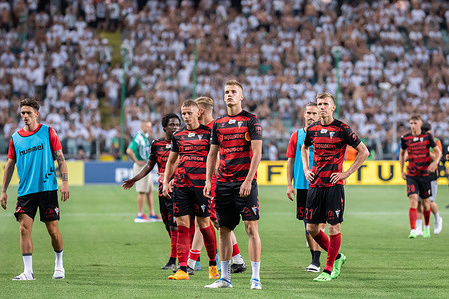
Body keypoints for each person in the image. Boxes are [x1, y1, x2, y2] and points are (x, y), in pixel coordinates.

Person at [301, 92, 369, 282]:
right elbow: (304, 148)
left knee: (333, 228)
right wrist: (306, 168)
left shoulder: (342, 129)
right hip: (315, 185)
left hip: (333, 185)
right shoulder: (312, 130)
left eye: (325, 104)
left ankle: (329, 269)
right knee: (312, 228)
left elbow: (364, 152)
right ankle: (337, 256)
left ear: (333, 107)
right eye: (319, 104)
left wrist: (346, 173)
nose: (321, 107)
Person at [1, 98, 70, 280]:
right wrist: (3, 191)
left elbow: (60, 157)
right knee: (24, 229)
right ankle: (28, 272)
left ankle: (59, 264)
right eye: (22, 113)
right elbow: (9, 166)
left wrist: (65, 182)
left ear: (37, 114)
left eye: (28, 113)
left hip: (47, 189)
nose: (25, 116)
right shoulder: (15, 138)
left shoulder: (48, 132)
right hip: (25, 191)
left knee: (53, 230)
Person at [204, 80, 263, 290]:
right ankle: (225, 278)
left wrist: (248, 179)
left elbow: (257, 153)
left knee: (250, 228)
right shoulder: (218, 123)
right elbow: (212, 154)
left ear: (241, 96)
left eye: (233, 92)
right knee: (224, 229)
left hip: (244, 182)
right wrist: (207, 181)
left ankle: (255, 278)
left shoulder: (251, 120)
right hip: (222, 183)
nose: (229, 95)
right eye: (227, 92)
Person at [187, 97, 246, 275]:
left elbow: (219, 156)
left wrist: (215, 179)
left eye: (193, 111)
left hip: (215, 182)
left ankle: (191, 262)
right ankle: (237, 260)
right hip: (205, 181)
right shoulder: (210, 128)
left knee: (210, 221)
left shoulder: (216, 127)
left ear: (201, 111)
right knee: (211, 221)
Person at [162, 100, 218, 280]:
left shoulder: (209, 134)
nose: (186, 116)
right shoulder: (178, 136)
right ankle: (183, 269)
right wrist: (166, 181)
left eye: (189, 113)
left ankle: (213, 266)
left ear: (198, 113)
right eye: (183, 113)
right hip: (181, 186)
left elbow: (215, 158)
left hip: (201, 187)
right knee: (182, 226)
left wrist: (211, 182)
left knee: (204, 225)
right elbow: (171, 161)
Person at [122, 113, 181, 270]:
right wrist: (134, 179)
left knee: (175, 224)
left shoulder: (183, 142)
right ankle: (181, 251)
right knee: (167, 223)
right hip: (162, 188)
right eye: (172, 125)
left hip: (178, 187)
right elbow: (149, 165)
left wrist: (175, 180)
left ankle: (174, 259)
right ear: (164, 127)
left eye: (177, 125)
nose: (175, 127)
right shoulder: (157, 144)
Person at [286, 102, 324, 273]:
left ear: (319, 115)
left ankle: (317, 261)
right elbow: (290, 161)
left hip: (320, 185)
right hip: (301, 185)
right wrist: (289, 184)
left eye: (314, 113)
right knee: (306, 224)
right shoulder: (296, 136)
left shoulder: (324, 135)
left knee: (318, 224)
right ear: (304, 114)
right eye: (308, 113)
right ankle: (315, 259)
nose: (311, 116)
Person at [399, 115, 441, 239]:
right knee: (413, 199)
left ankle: (427, 227)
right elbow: (402, 154)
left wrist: (435, 162)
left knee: (426, 202)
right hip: (411, 174)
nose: (413, 125)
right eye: (411, 123)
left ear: (420, 123)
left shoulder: (427, 137)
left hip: (425, 175)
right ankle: (413, 230)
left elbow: (438, 151)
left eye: (415, 123)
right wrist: (401, 170)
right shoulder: (406, 138)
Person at [126, 120, 161, 222]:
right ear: (143, 126)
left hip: (146, 167)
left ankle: (151, 214)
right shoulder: (138, 137)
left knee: (149, 190)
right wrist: (136, 161)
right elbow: (129, 150)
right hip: (141, 167)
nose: (150, 129)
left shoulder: (144, 137)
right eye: (148, 127)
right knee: (142, 191)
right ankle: (140, 215)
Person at [414, 122, 443, 235]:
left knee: (430, 201)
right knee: (419, 202)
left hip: (431, 175)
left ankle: (437, 218)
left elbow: (437, 158)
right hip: (419, 174)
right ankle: (419, 228)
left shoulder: (436, 141)